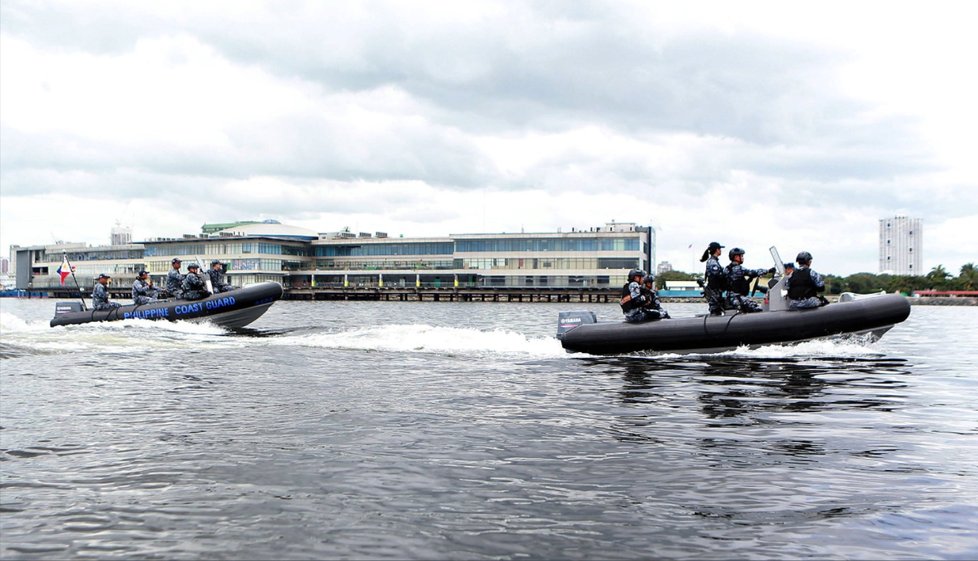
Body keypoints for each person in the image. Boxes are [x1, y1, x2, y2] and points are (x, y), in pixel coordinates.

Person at [724, 248, 775, 313]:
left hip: (730, 297)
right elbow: (753, 272)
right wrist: (768, 271)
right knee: (756, 308)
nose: (742, 258)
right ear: (736, 257)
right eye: (741, 256)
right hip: (737, 298)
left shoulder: (726, 269)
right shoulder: (738, 268)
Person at [699, 241, 727, 315]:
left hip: (717, 291)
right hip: (714, 292)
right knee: (715, 310)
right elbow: (717, 275)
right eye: (720, 249)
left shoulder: (714, 261)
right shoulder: (712, 262)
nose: (721, 250)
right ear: (717, 250)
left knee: (718, 309)